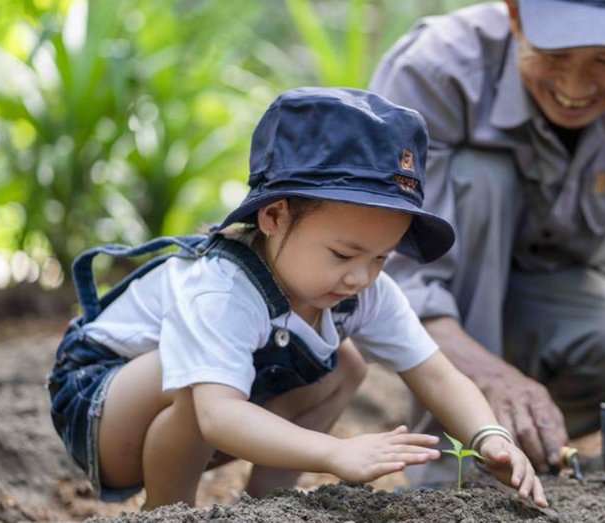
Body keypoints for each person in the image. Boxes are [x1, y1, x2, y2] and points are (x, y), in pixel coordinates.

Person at [46, 87, 548, 509]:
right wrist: (334, 453)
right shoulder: (222, 288)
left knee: (347, 363)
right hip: (103, 409)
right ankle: (169, 513)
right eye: (342, 253)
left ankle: (273, 506)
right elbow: (217, 415)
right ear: (274, 217)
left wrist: (489, 436)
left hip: (202, 415)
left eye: (381, 257)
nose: (360, 277)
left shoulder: (363, 287)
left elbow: (435, 373)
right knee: (197, 380)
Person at [370, 0, 605, 483]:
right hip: (444, 307)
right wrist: (490, 376)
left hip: (554, 291)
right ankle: (454, 456)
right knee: (481, 176)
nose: (575, 88)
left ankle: (528, 437)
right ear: (515, 17)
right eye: (555, 55)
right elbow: (398, 268)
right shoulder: (437, 69)